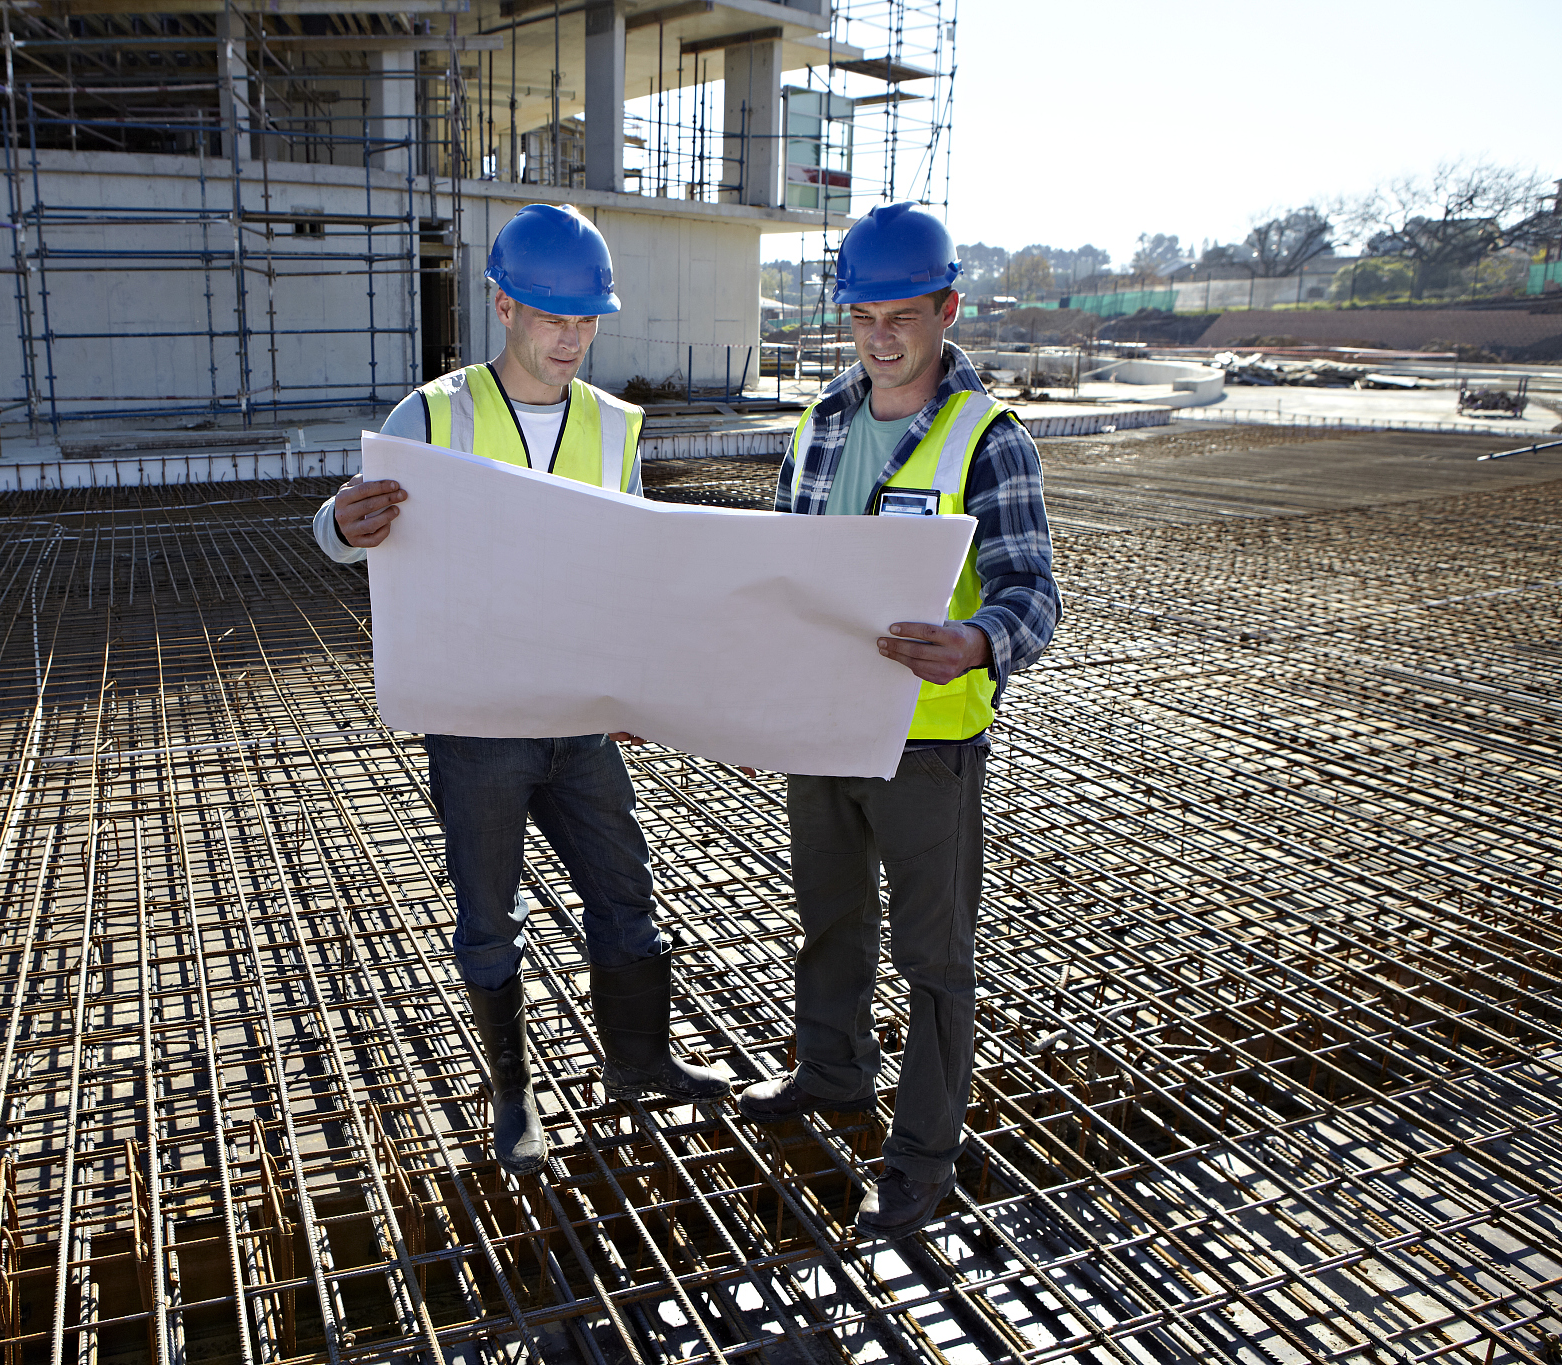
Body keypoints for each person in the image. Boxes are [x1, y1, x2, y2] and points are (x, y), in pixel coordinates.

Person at [311, 203, 729, 1176]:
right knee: (490, 917)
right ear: (502, 305)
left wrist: (632, 689)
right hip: (479, 724)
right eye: (550, 317)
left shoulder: (615, 427)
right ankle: (513, 1107)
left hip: (580, 722)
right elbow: (338, 532)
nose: (570, 338)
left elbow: (631, 573)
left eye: (584, 320)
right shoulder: (436, 413)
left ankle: (640, 1063)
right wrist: (340, 521)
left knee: (625, 894)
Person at [734, 203, 1060, 1240]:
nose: (880, 336)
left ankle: (921, 1155)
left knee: (932, 962)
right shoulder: (821, 421)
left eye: (902, 315)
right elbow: (784, 575)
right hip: (821, 726)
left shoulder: (987, 438)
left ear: (945, 309)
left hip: (927, 746)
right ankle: (830, 1073)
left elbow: (1031, 593)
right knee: (828, 925)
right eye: (863, 315)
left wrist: (976, 642)